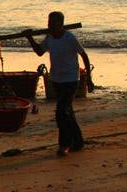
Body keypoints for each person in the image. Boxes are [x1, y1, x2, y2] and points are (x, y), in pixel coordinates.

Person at [24, 11, 94, 157]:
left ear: (61, 25)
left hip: (71, 79)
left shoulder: (70, 38)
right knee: (68, 111)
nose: (50, 26)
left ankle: (64, 144)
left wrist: (89, 78)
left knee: (61, 111)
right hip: (56, 79)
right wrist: (29, 37)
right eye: (49, 23)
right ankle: (78, 142)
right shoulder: (49, 38)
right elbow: (39, 51)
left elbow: (84, 55)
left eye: (53, 24)